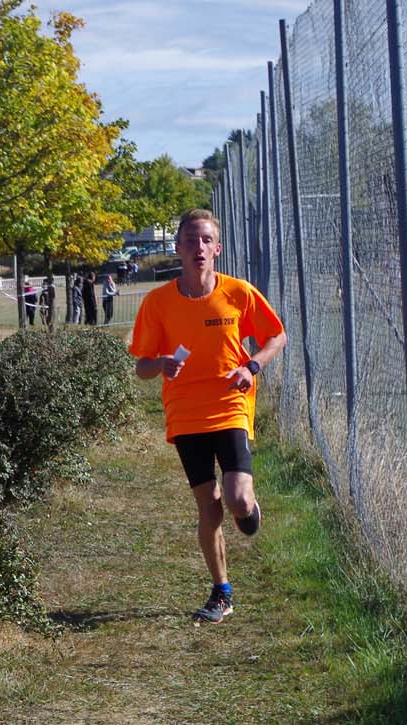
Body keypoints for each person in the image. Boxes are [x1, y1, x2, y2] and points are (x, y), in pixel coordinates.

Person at [128, 208, 287, 623]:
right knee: (209, 505)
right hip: (185, 414)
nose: (198, 247)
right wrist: (161, 363)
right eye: (190, 240)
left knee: (234, 499)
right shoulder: (157, 303)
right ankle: (222, 591)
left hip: (230, 404)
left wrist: (252, 366)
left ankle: (248, 509)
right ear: (178, 248)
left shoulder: (238, 292)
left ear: (217, 248)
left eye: (205, 240)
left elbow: (276, 335)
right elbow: (141, 366)